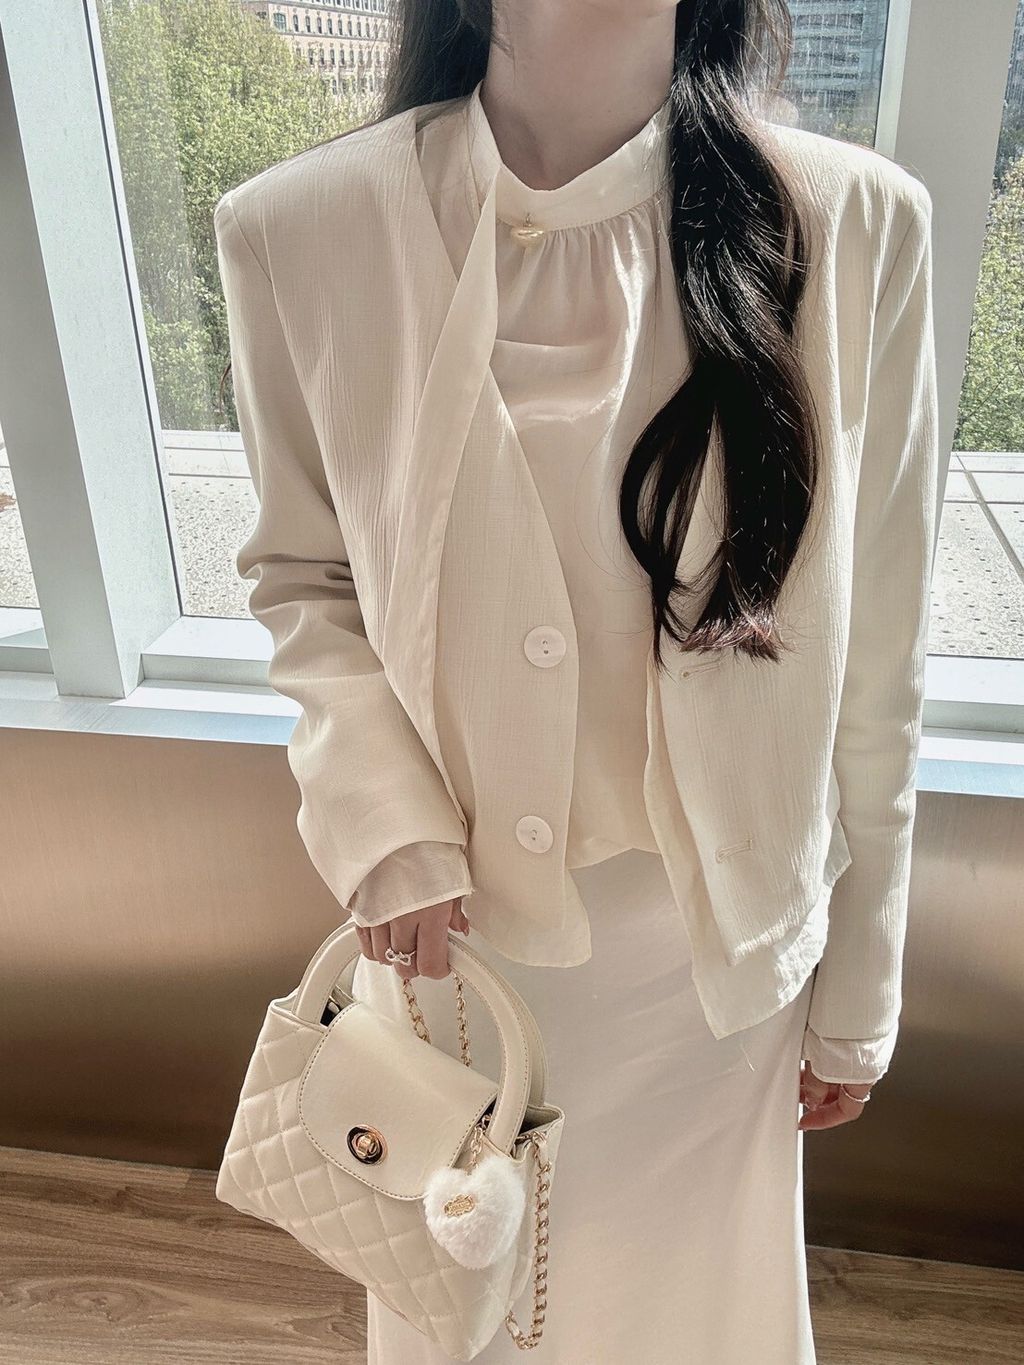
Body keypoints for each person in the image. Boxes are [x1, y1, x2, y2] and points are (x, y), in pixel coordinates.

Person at [215, 2, 937, 1361]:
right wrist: (378, 819)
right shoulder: (299, 232)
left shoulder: (855, 228)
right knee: (466, 1319)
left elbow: (879, 655)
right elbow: (304, 578)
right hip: (450, 953)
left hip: (714, 979)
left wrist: (861, 990)